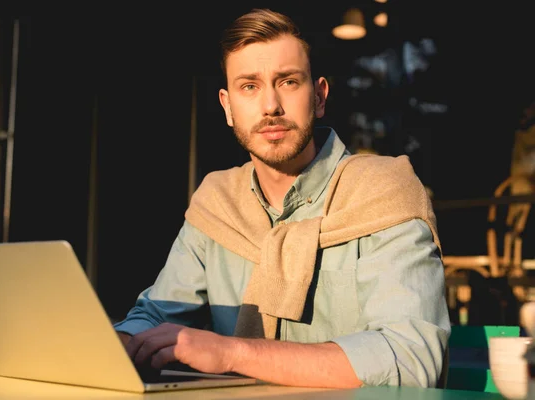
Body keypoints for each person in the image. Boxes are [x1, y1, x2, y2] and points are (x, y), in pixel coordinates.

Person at [114, 8, 450, 389]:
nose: (270, 106)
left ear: (319, 97)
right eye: (249, 87)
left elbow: (412, 360)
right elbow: (160, 315)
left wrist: (231, 354)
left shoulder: (382, 190)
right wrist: (117, 343)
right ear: (227, 106)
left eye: (288, 82)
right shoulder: (218, 200)